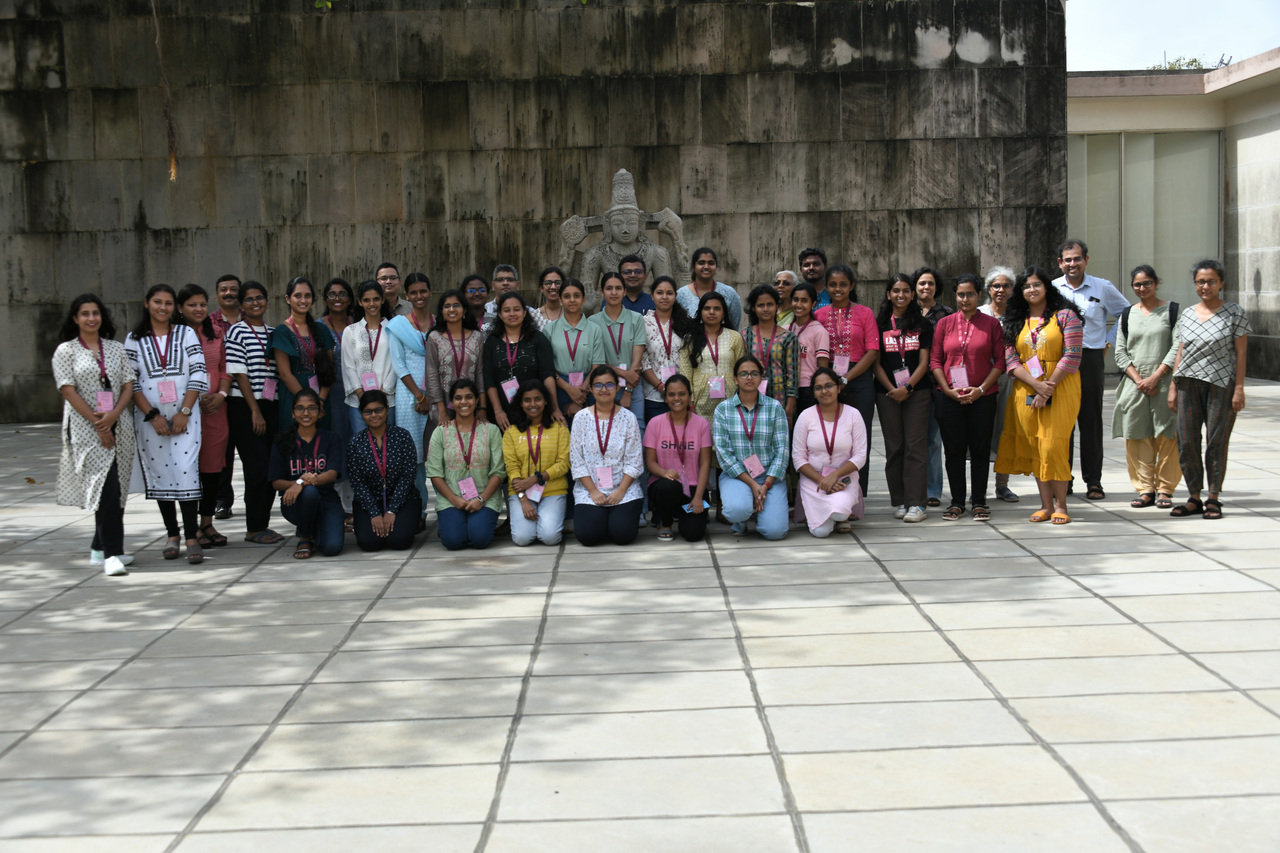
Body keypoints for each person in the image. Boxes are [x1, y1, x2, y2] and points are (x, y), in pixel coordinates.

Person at [54, 294, 137, 576]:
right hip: (85, 428)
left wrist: (113, 416)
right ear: (75, 318)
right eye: (85, 314)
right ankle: (112, 554)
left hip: (119, 424)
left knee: (117, 488)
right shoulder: (66, 351)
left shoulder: (115, 348)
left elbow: (128, 385)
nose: (91, 318)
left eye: (96, 313)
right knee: (105, 489)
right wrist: (98, 423)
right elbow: (68, 390)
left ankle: (99, 548)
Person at [995, 266, 1084, 525]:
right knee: (1035, 444)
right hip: (1026, 389)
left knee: (1053, 445)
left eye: (1036, 284)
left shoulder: (1065, 315)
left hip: (1061, 387)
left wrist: (1048, 386)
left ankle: (1061, 505)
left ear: (1047, 287)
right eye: (1026, 286)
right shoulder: (1015, 320)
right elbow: (1011, 359)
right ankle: (1045, 505)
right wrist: (1036, 385)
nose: (1031, 290)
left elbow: (1073, 354)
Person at [126, 284, 209, 563]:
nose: (163, 308)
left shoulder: (186, 333)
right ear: (146, 303)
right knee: (161, 472)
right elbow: (131, 381)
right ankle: (172, 534)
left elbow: (198, 371)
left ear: (175, 307)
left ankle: (191, 536)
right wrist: (153, 416)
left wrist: (184, 412)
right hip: (150, 420)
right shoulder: (134, 339)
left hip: (187, 416)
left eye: (169, 303)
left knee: (186, 470)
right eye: (157, 302)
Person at [1167, 259, 1250, 520]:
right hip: (1187, 384)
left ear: (1221, 283)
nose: (1206, 286)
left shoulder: (1234, 312)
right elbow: (1180, 351)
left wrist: (1239, 389)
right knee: (1186, 441)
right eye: (1201, 282)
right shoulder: (1187, 314)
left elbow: (1241, 354)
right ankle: (1194, 497)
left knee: (1216, 441)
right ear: (1195, 284)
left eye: (1211, 281)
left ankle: (1213, 497)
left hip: (1221, 384)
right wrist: (1173, 386)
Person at [1053, 239, 1132, 500]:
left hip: (1090, 359)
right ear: (1060, 263)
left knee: (1090, 422)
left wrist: (1108, 341)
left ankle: (1094, 481)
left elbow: (1127, 314)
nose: (1072, 264)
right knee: (1062, 423)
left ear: (1086, 260)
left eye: (1077, 259)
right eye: (1067, 260)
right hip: (1060, 362)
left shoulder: (1102, 287)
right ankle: (1063, 479)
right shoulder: (1052, 289)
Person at [930, 274, 1005, 521]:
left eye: (970, 294)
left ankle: (979, 502)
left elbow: (1000, 362)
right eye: (961, 295)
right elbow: (935, 360)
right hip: (949, 397)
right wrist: (947, 390)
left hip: (982, 397)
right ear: (955, 296)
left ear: (979, 295)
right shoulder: (944, 324)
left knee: (980, 451)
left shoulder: (991, 324)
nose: (965, 299)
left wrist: (981, 389)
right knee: (954, 451)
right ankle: (957, 502)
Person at [1114, 265, 1181, 509]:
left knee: (1167, 435)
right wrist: (1140, 380)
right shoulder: (1126, 314)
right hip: (1135, 386)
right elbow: (1120, 352)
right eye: (1137, 284)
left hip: (1165, 383)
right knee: (1137, 435)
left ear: (1157, 283)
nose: (1142, 288)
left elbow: (1178, 347)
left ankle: (1165, 489)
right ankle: (1145, 489)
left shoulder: (1172, 311)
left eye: (1147, 283)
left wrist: (1156, 376)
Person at [224, 280, 284, 545]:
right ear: (241, 304)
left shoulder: (274, 332)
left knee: (271, 467)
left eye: (259, 297)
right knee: (256, 468)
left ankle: (262, 525)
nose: (255, 303)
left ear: (267, 301)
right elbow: (240, 374)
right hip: (246, 406)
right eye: (249, 299)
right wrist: (255, 411)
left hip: (272, 405)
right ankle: (253, 527)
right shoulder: (236, 332)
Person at [873, 275, 934, 524]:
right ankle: (899, 500)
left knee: (915, 447)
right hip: (886, 392)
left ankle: (917, 503)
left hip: (917, 392)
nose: (901, 295)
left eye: (906, 290)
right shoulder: (879, 324)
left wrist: (907, 387)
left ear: (912, 294)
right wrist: (892, 389)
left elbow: (924, 362)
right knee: (895, 447)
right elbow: (875, 363)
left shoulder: (922, 324)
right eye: (896, 290)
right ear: (888, 294)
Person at [814, 264, 878, 497]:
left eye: (843, 284)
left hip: (858, 378)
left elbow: (872, 351)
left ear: (852, 286)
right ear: (826, 287)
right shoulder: (818, 315)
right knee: (831, 435)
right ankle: (832, 489)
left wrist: (846, 378)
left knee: (860, 437)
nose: (838, 289)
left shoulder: (865, 313)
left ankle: (858, 494)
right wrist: (831, 381)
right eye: (833, 285)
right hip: (828, 378)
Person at [176, 284, 233, 549]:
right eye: (192, 305)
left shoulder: (217, 332)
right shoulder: (174, 335)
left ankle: (207, 522)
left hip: (214, 409)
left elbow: (225, 368)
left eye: (202, 304)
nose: (198, 309)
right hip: (184, 410)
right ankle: (190, 527)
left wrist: (221, 395)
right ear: (180, 308)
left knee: (212, 468)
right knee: (188, 467)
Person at [714, 355, 790, 539]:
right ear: (735, 379)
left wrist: (765, 485)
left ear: (761, 377)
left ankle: (759, 510)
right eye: (744, 374)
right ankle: (742, 518)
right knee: (736, 510)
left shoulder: (775, 407)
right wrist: (753, 485)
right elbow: (724, 454)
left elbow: (782, 451)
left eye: (754, 373)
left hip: (770, 477)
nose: (749, 377)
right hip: (737, 476)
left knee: (775, 532)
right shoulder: (723, 410)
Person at [570, 365, 645, 545]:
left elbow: (634, 461)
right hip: (590, 491)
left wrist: (620, 491)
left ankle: (612, 521)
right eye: (598, 385)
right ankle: (603, 520)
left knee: (623, 535)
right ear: (590, 388)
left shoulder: (629, 418)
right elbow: (576, 460)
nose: (604, 389)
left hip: (624, 489)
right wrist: (593, 491)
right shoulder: (580, 418)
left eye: (609, 385)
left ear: (617, 387)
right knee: (588, 537)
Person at [427, 379, 505, 550]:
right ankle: (456, 525)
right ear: (452, 402)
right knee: (453, 541)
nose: (464, 402)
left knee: (480, 540)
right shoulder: (440, 432)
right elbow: (434, 473)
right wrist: (454, 499)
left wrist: (480, 499)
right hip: (451, 499)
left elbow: (498, 472)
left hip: (485, 498)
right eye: (458, 398)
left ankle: (469, 526)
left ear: (477, 400)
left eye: (469, 397)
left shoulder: (491, 431)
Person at [268, 389, 345, 558]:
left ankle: (316, 528)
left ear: (320, 412)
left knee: (331, 548)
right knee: (309, 492)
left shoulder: (331, 439)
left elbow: (332, 474)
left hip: (326, 500)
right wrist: (299, 485)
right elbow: (276, 482)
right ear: (292, 413)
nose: (306, 413)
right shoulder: (282, 440)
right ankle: (305, 535)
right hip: (295, 502)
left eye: (311, 408)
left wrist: (301, 482)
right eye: (300, 408)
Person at [792, 366, 868, 536]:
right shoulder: (805, 416)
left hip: (844, 478)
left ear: (838, 388)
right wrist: (822, 479)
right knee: (820, 532)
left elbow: (860, 456)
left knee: (839, 513)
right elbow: (798, 458)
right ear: (813, 393)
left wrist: (834, 476)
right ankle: (823, 514)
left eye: (829, 386)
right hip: (814, 480)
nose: (824, 391)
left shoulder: (853, 415)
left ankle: (840, 516)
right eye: (818, 388)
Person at [387, 273, 437, 518]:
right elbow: (399, 364)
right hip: (410, 397)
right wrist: (419, 396)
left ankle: (448, 508)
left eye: (423, 291)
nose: (419, 296)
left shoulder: (439, 323)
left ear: (430, 292)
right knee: (413, 457)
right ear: (407, 295)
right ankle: (418, 511)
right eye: (414, 292)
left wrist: (432, 397)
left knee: (442, 452)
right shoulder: (398, 325)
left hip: (438, 395)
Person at [347, 390, 420, 550]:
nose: (374, 415)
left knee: (399, 541)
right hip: (369, 501)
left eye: (378, 410)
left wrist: (392, 510)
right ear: (362, 414)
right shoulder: (356, 442)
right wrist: (374, 513)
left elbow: (408, 475)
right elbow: (357, 481)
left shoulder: (402, 436)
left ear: (387, 410)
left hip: (402, 499)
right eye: (368, 411)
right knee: (369, 543)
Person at [644, 374, 712, 542]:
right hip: (665, 484)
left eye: (682, 394)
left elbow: (705, 464)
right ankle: (665, 522)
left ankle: (684, 514)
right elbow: (650, 462)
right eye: (671, 394)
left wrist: (698, 497)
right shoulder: (655, 423)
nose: (677, 399)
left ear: (689, 396)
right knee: (669, 487)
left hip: (694, 486)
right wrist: (663, 472)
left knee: (693, 534)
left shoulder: (702, 424)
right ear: (665, 397)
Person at [503, 380, 571, 546]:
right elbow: (512, 467)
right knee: (522, 539)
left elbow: (564, 463)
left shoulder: (560, 427)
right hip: (521, 493)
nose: (532, 404)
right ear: (520, 403)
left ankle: (547, 522)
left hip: (553, 490)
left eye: (538, 399)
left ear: (546, 401)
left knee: (550, 537)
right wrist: (523, 499)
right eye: (527, 400)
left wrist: (535, 479)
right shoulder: (511, 432)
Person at [483, 292, 562, 430]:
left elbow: (547, 375)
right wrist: (498, 411)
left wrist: (554, 408)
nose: (512, 314)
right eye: (507, 310)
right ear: (500, 315)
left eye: (516, 309)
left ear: (524, 313)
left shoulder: (538, 339)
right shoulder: (492, 341)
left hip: (534, 410)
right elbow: (489, 379)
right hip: (502, 413)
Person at [270, 276, 336, 432]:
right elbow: (285, 374)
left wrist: (320, 402)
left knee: (321, 441)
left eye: (307, 296)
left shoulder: (321, 329)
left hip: (321, 396)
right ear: (288, 299)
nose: (303, 300)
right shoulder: (282, 332)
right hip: (294, 398)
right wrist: (307, 405)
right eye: (298, 296)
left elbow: (330, 370)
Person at [318, 277, 357, 527]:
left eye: (342, 294)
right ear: (325, 299)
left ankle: (352, 506)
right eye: (332, 294)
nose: (337, 299)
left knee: (354, 443)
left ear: (350, 299)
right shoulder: (318, 326)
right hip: (331, 392)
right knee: (335, 443)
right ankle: (335, 507)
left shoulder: (359, 325)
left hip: (357, 392)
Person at [914, 267, 953, 508]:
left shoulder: (947, 315)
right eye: (921, 283)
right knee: (912, 441)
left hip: (939, 385)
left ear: (937, 287)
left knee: (933, 440)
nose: (926, 287)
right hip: (912, 385)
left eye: (930, 283)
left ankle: (932, 490)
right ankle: (911, 490)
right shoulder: (906, 312)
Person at [980, 267, 1019, 503]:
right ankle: (978, 486)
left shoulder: (1019, 315)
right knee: (981, 431)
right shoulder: (980, 313)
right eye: (996, 285)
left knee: (1005, 430)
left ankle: (1002, 485)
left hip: (1011, 378)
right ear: (988, 289)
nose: (1001, 290)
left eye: (1006, 286)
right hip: (983, 378)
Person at [590, 272, 648, 432]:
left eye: (618, 288)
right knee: (605, 429)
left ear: (624, 291)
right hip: (603, 385)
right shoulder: (592, 322)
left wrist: (628, 391)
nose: (614, 292)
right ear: (602, 292)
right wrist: (624, 373)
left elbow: (637, 360)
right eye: (609, 288)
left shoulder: (636, 319)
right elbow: (597, 361)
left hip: (633, 384)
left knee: (637, 427)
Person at [678, 291, 745, 423]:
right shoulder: (690, 339)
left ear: (724, 313)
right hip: (700, 402)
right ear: (700, 312)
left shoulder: (735, 337)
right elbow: (686, 373)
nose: (712, 312)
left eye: (717, 308)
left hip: (731, 400)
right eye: (707, 308)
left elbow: (741, 370)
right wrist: (689, 401)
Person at [544, 280, 606, 420]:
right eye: (567, 296)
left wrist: (582, 393)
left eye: (576, 296)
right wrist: (569, 389)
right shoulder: (549, 330)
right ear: (560, 300)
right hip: (559, 386)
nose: (572, 300)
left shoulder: (594, 329)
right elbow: (547, 367)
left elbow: (597, 365)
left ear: (583, 299)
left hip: (588, 386)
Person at [425, 288, 487, 430]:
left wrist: (482, 407)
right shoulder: (434, 338)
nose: (452, 309)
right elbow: (431, 374)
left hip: (470, 403)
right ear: (442, 311)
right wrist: (441, 410)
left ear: (464, 310)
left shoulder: (477, 337)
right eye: (447, 306)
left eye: (456, 305)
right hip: (444, 402)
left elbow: (480, 373)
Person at [341, 280, 397, 434]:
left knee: (387, 444)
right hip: (359, 402)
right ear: (360, 302)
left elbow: (396, 363)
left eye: (376, 299)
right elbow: (348, 366)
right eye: (366, 300)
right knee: (362, 445)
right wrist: (362, 396)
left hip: (386, 400)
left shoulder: (393, 328)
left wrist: (382, 394)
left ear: (383, 299)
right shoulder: (350, 331)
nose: (372, 304)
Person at [640, 276, 693, 423]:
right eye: (659, 293)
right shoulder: (643, 322)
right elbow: (643, 360)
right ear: (652, 296)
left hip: (681, 395)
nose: (664, 297)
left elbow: (691, 358)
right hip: (653, 395)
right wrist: (660, 386)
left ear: (675, 296)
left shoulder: (686, 321)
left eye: (669, 293)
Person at [743, 284, 799, 426]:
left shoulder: (789, 338)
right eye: (761, 305)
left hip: (780, 401)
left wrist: (789, 409)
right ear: (753, 308)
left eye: (770, 304)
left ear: (777, 306)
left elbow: (793, 376)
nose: (766, 309)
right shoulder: (744, 335)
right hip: (750, 400)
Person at [209, 274, 241, 519]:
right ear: (217, 294)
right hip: (218, 395)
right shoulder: (208, 323)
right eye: (224, 289)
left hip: (246, 394)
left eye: (233, 289)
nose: (229, 293)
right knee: (222, 449)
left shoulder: (251, 317)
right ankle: (222, 499)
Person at [676, 247, 743, 332]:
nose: (706, 266)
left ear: (716, 266)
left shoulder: (729, 294)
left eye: (711, 263)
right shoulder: (681, 295)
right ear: (693, 266)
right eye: (701, 263)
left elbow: (734, 326)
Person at [789, 282, 831, 414]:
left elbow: (823, 368)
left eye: (804, 300)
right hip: (787, 388)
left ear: (813, 304)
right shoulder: (785, 330)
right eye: (795, 299)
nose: (799, 304)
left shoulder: (819, 331)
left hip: (808, 389)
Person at [533, 266, 567, 330]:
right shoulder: (534, 316)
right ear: (541, 288)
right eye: (548, 283)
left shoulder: (570, 314)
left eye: (558, 283)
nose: (553, 287)